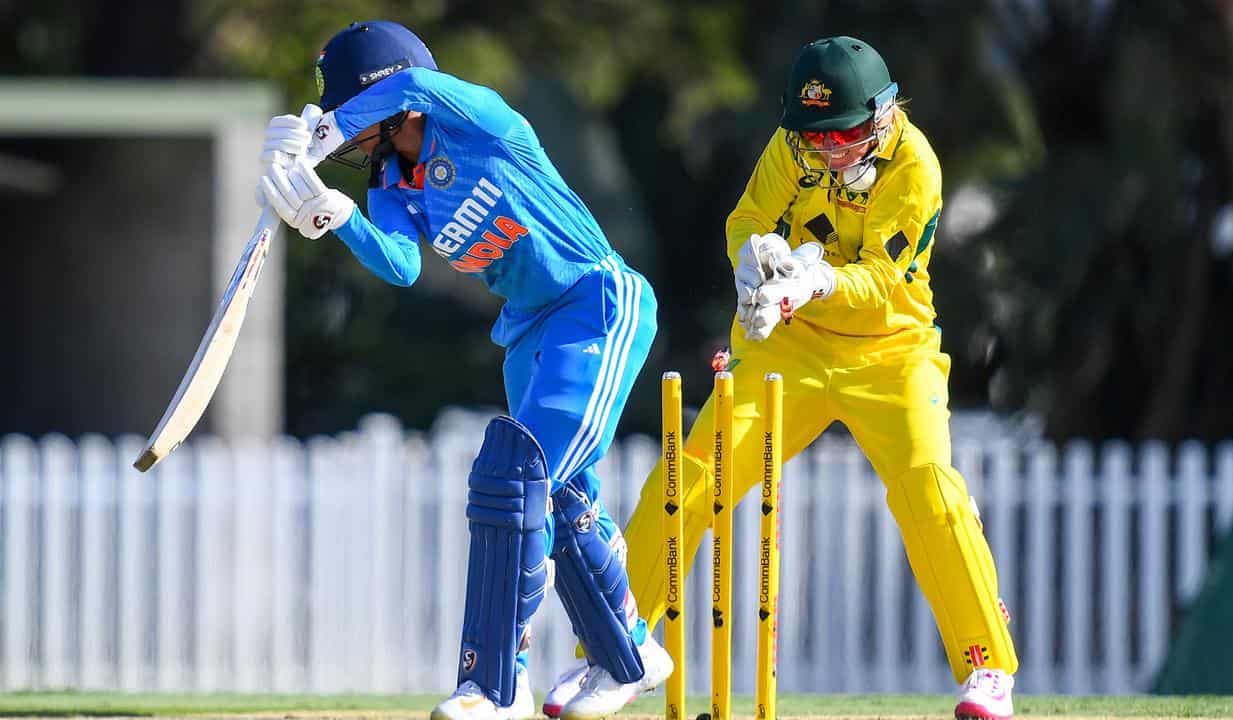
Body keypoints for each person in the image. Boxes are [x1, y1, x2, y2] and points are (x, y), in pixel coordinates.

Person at [545, 36, 1019, 720]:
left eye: (847, 134)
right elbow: (747, 219)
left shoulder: (915, 167)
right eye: (816, 136)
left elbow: (886, 278)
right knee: (687, 479)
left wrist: (816, 279)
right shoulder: (790, 146)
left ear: (883, 116)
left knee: (929, 488)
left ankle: (988, 669)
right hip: (787, 350)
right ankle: (612, 657)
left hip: (890, 352)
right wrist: (752, 258)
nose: (829, 151)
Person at [255, 20, 672, 720]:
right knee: (562, 500)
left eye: (352, 117)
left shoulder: (476, 121)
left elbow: (414, 83)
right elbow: (401, 262)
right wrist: (332, 215)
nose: (350, 136)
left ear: (390, 105)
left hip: (597, 301)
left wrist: (319, 139)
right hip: (528, 333)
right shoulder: (393, 182)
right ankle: (628, 655)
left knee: (516, 473)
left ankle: (492, 689)